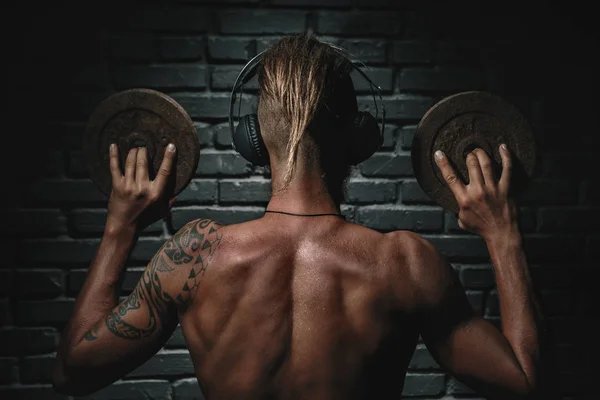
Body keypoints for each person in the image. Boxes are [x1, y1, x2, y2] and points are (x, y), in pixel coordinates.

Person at [53, 35, 546, 399]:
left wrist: (121, 226)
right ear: (360, 140)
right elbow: (523, 382)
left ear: (251, 140)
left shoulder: (194, 255)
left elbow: (74, 371)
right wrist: (503, 235)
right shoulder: (405, 263)